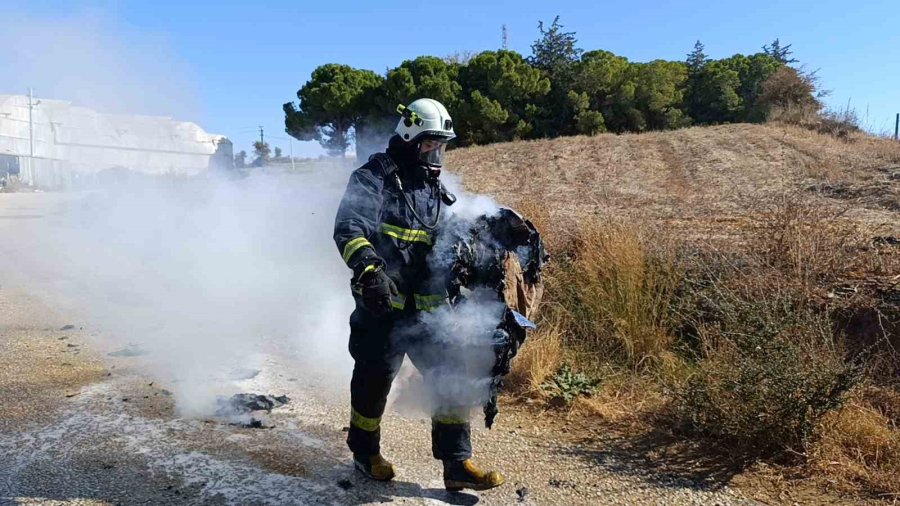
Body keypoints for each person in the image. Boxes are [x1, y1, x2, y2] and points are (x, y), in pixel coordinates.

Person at [333, 98, 505, 491]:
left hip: (428, 311)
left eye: (442, 145)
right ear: (410, 137)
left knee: (450, 377)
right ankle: (365, 453)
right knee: (373, 382)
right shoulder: (373, 176)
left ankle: (456, 465)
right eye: (430, 144)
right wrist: (370, 269)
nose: (436, 152)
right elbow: (348, 228)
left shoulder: (433, 188)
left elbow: (448, 241)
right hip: (381, 305)